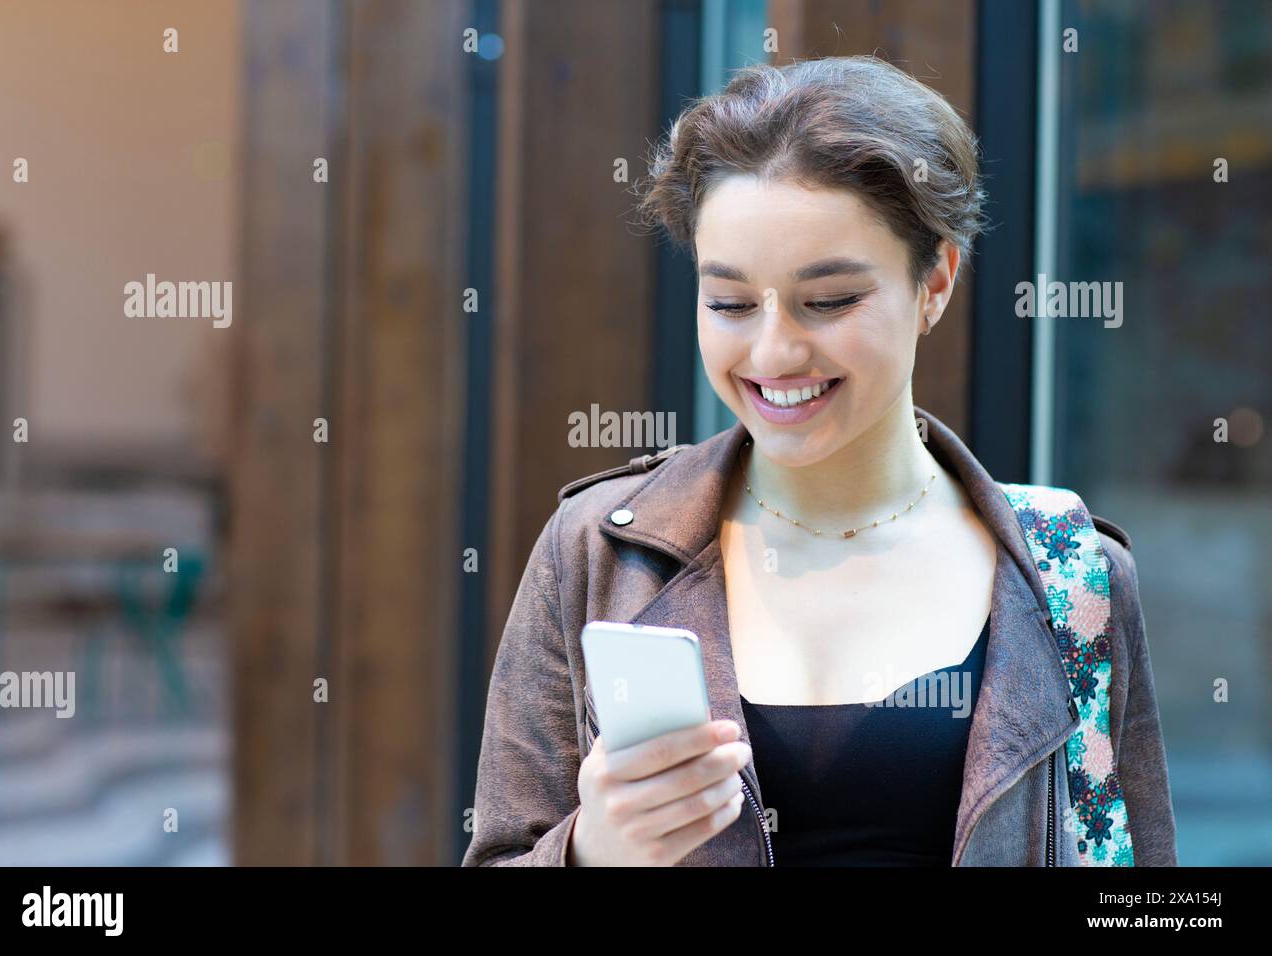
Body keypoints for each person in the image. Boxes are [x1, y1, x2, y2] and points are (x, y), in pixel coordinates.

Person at [461, 55, 1177, 867]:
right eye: (728, 302)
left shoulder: (1071, 574)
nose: (773, 350)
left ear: (935, 280)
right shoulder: (596, 550)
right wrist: (593, 850)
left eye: (829, 300)